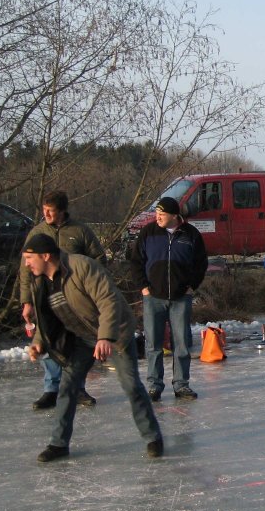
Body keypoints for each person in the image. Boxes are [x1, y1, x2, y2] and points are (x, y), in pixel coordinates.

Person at [22, 234, 162, 462]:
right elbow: (46, 317)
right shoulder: (40, 281)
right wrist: (38, 341)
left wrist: (105, 337)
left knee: (131, 386)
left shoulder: (82, 267)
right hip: (82, 337)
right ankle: (58, 444)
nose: (26, 264)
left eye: (29, 258)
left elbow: (108, 301)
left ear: (45, 256)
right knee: (67, 386)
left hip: (115, 333)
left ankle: (152, 437)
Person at [19, 190, 106, 411]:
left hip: (74, 297)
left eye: (51, 210)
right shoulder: (37, 233)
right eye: (44, 210)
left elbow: (99, 258)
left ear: (62, 211)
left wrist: (90, 285)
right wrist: (27, 301)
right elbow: (25, 269)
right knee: (49, 337)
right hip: (46, 296)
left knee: (76, 342)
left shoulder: (80, 231)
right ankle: (51, 389)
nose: (46, 214)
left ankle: (77, 387)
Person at [130, 197, 208, 401]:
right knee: (153, 344)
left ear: (174, 215)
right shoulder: (148, 233)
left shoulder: (191, 234)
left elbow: (201, 263)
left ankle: (181, 385)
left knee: (181, 343)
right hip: (153, 297)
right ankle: (154, 385)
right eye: (156, 214)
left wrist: (192, 286)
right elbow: (136, 261)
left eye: (162, 215)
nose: (157, 218)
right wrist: (143, 287)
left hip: (181, 298)